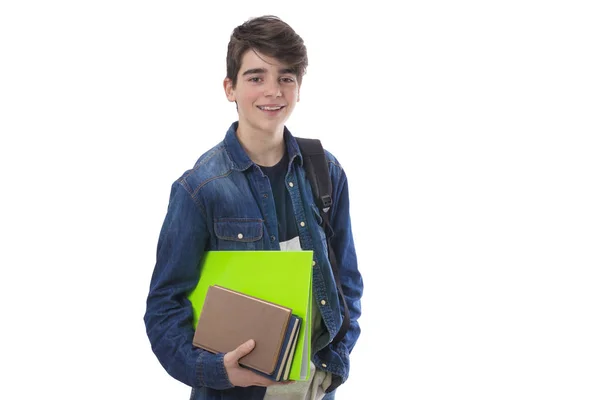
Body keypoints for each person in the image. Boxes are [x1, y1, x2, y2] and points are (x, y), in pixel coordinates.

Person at [144, 15, 363, 400]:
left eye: (286, 77)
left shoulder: (326, 172)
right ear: (230, 88)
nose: (273, 91)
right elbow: (164, 309)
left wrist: (335, 365)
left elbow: (348, 284)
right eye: (256, 77)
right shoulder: (200, 188)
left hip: (313, 389)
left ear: (299, 87)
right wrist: (216, 371)